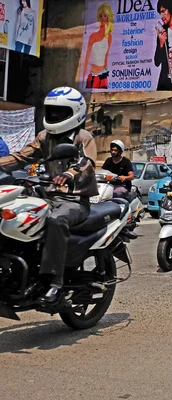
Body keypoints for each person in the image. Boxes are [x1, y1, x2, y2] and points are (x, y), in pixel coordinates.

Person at [0, 87, 98, 305]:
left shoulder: (84, 138)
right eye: (52, 111)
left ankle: (55, 283)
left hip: (74, 201)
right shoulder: (44, 136)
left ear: (75, 112)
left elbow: (86, 162)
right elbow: (20, 157)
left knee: (56, 220)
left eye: (61, 113)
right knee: (16, 216)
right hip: (46, 196)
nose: (55, 116)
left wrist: (69, 173)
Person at [81, 3, 113, 89]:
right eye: (100, 16)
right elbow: (86, 58)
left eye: (105, 16)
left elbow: (106, 57)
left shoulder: (109, 37)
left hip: (104, 74)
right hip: (93, 74)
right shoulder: (93, 36)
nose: (102, 19)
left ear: (108, 17)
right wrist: (82, 79)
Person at [154, 0, 172, 91]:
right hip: (165, 83)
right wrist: (161, 44)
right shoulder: (163, 31)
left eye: (163, 11)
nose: (162, 16)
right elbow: (157, 62)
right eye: (160, 13)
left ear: (171, 8)